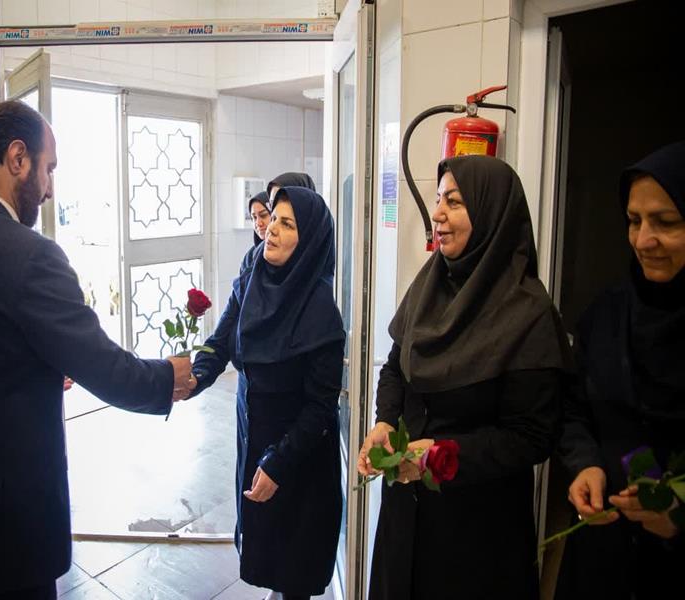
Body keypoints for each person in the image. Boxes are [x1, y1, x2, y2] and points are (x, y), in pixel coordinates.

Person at [0, 100, 196, 598]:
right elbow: (102, 365)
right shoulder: (30, 255)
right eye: (49, 168)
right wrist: (167, 377)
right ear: (17, 158)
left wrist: (34, 368)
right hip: (0, 540)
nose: (49, 188)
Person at [358, 155, 572, 600]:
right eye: (438, 199)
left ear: (492, 213)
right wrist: (385, 421)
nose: (437, 213)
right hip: (406, 514)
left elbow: (532, 437)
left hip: (476, 531)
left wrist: (441, 456)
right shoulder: (428, 286)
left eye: (453, 202)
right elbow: (397, 365)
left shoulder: (528, 313)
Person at [190, 186, 344, 599]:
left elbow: (320, 407)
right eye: (273, 218)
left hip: (300, 453)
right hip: (256, 434)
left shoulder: (321, 314)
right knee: (266, 543)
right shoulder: (251, 277)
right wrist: (196, 377)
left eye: (286, 223)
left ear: (307, 242)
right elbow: (222, 338)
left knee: (295, 557)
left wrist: (279, 462)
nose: (271, 229)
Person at [554, 141, 685, 600]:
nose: (644, 240)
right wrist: (585, 464)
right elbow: (574, 409)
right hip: (603, 550)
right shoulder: (605, 314)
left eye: (666, 222)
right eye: (634, 220)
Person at [239, 172, 316, 274]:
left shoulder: (315, 266)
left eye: (286, 224)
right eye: (272, 202)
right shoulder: (255, 256)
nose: (271, 228)